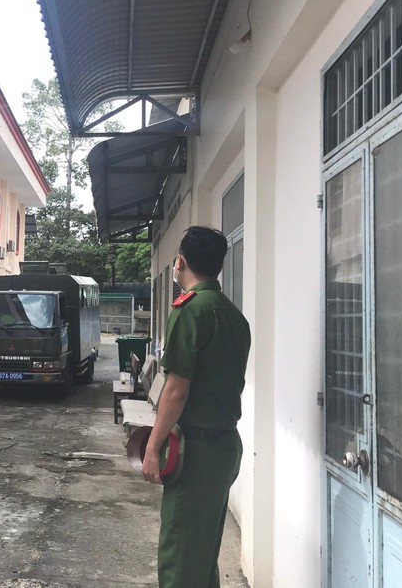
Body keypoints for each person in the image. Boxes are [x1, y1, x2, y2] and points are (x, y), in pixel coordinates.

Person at [140, 226, 251, 588]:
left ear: (180, 262)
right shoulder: (234, 315)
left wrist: (152, 447)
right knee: (201, 556)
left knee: (180, 561)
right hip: (225, 447)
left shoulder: (190, 310)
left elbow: (176, 391)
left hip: (197, 453)